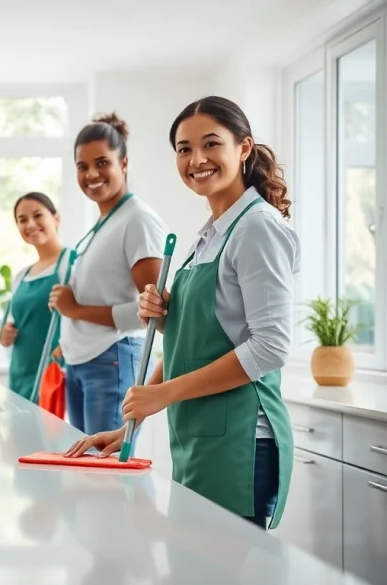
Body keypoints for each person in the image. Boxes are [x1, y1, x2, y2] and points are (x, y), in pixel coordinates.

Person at [66, 96, 297, 531]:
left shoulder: (257, 226)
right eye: (184, 149)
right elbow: (191, 345)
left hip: (242, 442)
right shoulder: (208, 236)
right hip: (199, 438)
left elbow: (271, 346)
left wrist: (165, 395)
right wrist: (129, 426)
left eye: (211, 144)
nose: (197, 159)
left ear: (243, 148)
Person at [48, 113, 168, 444]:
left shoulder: (137, 220)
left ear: (124, 163)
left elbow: (155, 312)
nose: (91, 174)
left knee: (107, 477)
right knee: (88, 473)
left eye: (102, 163)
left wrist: (75, 311)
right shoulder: (103, 224)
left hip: (111, 360)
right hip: (82, 364)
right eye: (82, 166)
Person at [0, 192, 72, 401]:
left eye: (38, 215)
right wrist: (6, 335)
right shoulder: (21, 276)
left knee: (53, 433)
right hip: (19, 376)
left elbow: (80, 317)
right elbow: (19, 322)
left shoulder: (71, 262)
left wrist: (61, 354)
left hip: (53, 376)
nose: (30, 224)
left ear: (56, 218)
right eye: (22, 220)